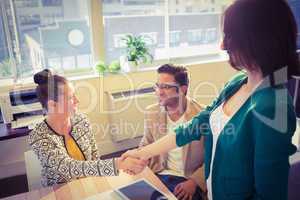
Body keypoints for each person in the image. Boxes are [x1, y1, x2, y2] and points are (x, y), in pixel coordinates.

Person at [122, 0, 300, 199]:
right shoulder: (237, 83)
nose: (223, 44)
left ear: (257, 39)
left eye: (230, 36)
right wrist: (142, 153)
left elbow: (270, 194)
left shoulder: (273, 106)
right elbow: (195, 126)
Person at [28, 69, 147, 187]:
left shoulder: (81, 120)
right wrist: (119, 164)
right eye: (70, 98)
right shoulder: (39, 136)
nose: (77, 101)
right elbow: (68, 167)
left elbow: (95, 159)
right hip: (60, 191)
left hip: (88, 185)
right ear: (52, 105)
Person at [140, 64, 206, 200]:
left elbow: (214, 159)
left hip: (187, 180)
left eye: (166, 87)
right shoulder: (152, 112)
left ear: (182, 90)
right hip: (159, 174)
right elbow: (145, 145)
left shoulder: (202, 116)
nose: (159, 92)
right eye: (157, 86)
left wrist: (194, 182)